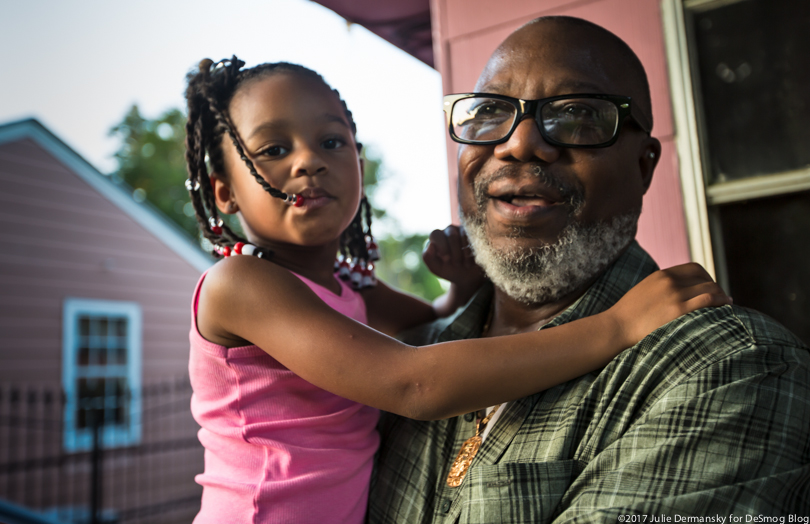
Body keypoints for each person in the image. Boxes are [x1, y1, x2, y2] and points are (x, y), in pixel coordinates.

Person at [182, 56, 729, 524]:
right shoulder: (242, 285)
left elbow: (429, 337)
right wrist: (619, 325)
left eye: (330, 141)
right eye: (273, 150)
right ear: (225, 193)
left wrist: (461, 287)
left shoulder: (350, 287)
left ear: (359, 164)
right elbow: (413, 383)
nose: (308, 160)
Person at [368, 16, 810, 523]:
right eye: (490, 111)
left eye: (577, 114)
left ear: (643, 166)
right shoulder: (410, 353)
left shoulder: (726, 367)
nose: (518, 144)